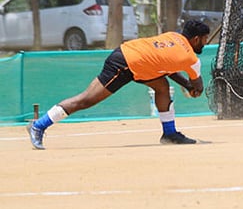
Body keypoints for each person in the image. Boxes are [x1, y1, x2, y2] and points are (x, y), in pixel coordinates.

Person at [27, 20, 211, 149]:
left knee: (161, 87)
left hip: (133, 58)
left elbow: (166, 66)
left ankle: (169, 134)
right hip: (124, 64)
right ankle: (39, 126)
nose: (205, 42)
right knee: (86, 100)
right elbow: (198, 87)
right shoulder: (192, 59)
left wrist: (187, 85)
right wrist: (192, 88)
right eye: (204, 39)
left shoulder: (172, 36)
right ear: (196, 39)